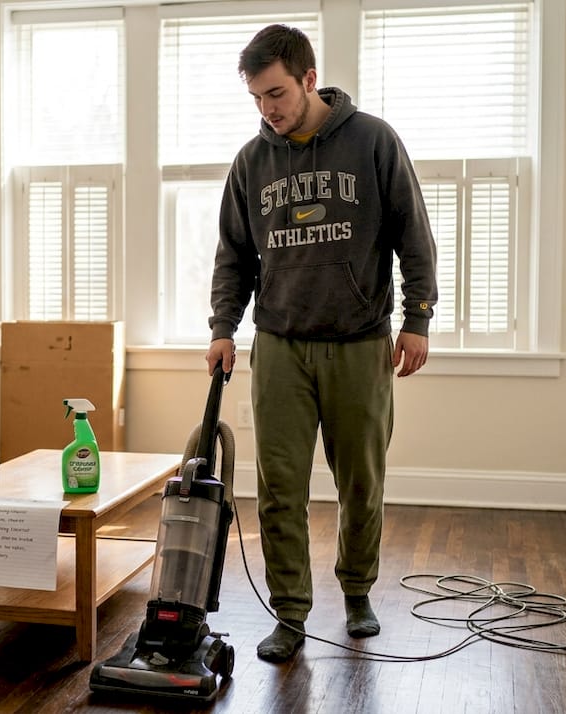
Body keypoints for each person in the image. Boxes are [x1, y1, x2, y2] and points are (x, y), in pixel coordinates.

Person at [206, 24, 437, 663]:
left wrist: (417, 318)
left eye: (276, 93)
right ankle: (290, 613)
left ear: (309, 79)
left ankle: (357, 593)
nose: (268, 109)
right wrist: (223, 328)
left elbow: (413, 237)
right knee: (279, 486)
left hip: (361, 342)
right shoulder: (252, 162)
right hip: (279, 343)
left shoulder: (372, 141)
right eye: (257, 98)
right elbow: (233, 256)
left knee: (361, 479)